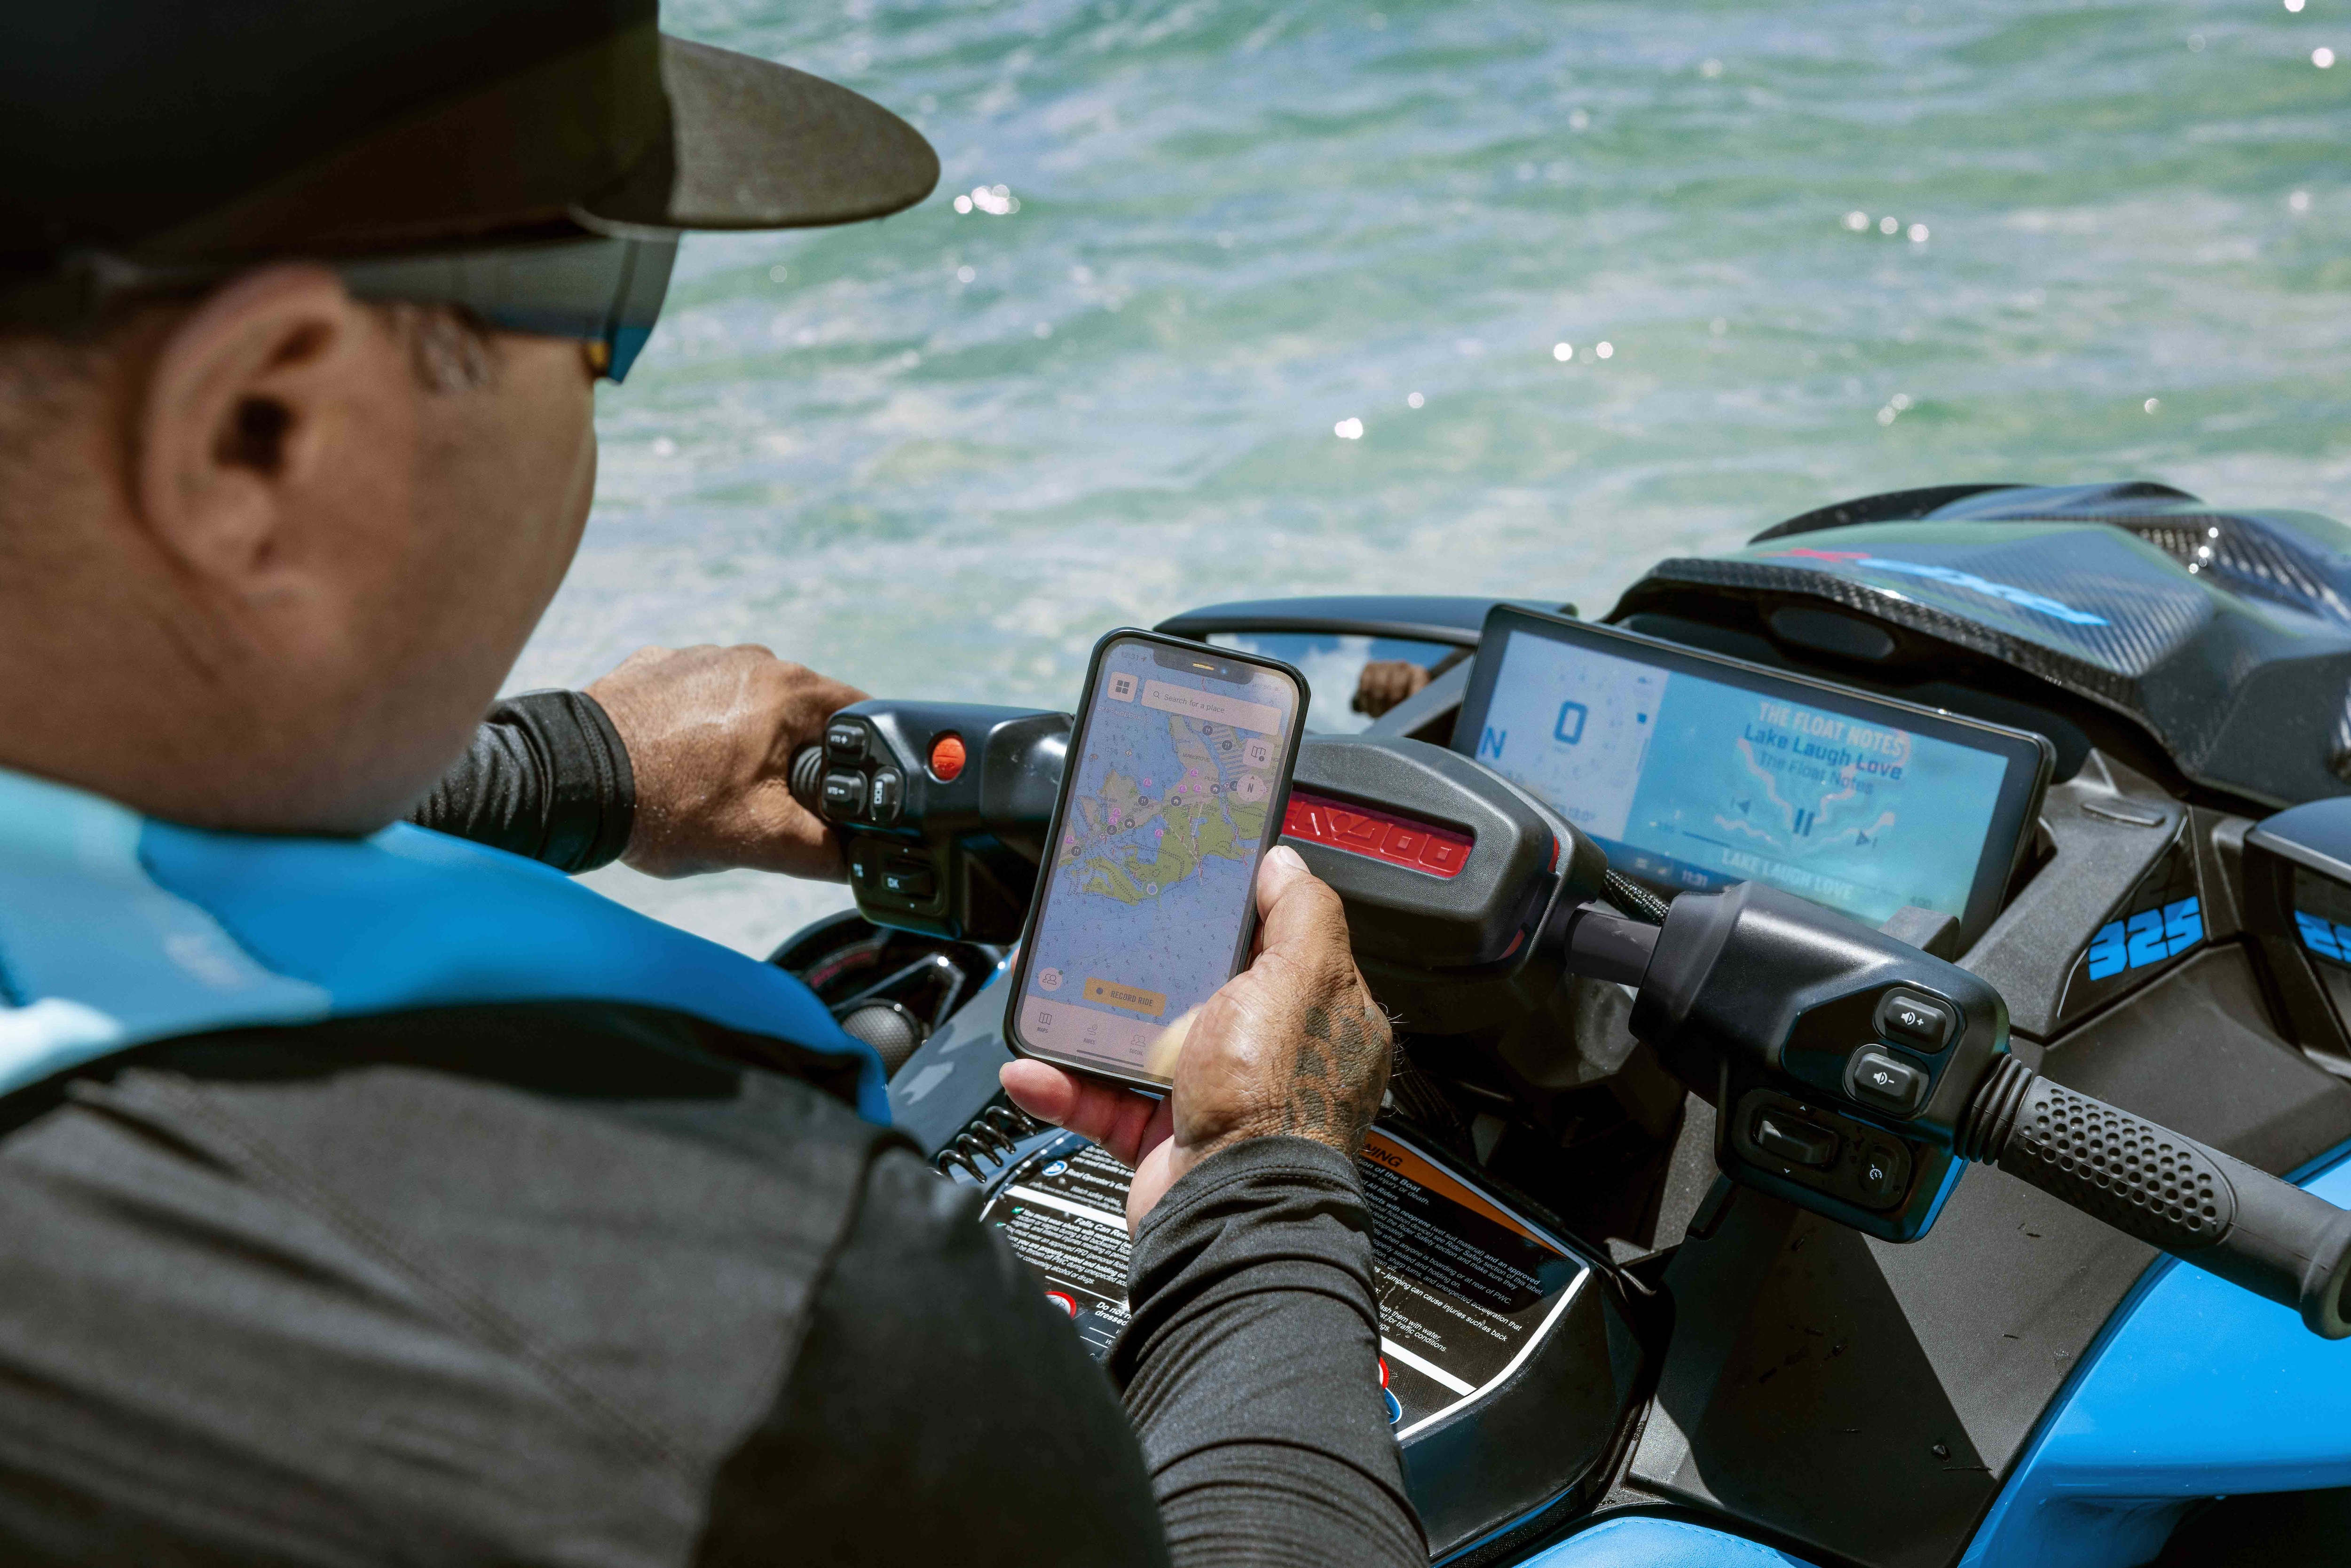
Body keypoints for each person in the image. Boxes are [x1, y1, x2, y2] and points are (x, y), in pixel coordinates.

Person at [0, 5, 1426, 1567]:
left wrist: (567, 770)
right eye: (615, 310)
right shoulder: (728, 1341)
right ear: (261, 425)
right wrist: (1263, 1195)